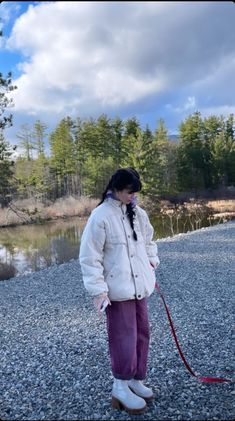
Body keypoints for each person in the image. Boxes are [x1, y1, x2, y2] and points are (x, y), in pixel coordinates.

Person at [79, 167, 160, 415]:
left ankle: (136, 380)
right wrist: (98, 292)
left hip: (140, 288)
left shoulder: (139, 214)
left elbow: (149, 242)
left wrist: (151, 263)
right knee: (123, 338)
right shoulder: (100, 216)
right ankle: (120, 387)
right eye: (128, 192)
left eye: (135, 193)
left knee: (142, 333)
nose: (132, 197)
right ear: (115, 189)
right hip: (116, 291)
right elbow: (89, 257)